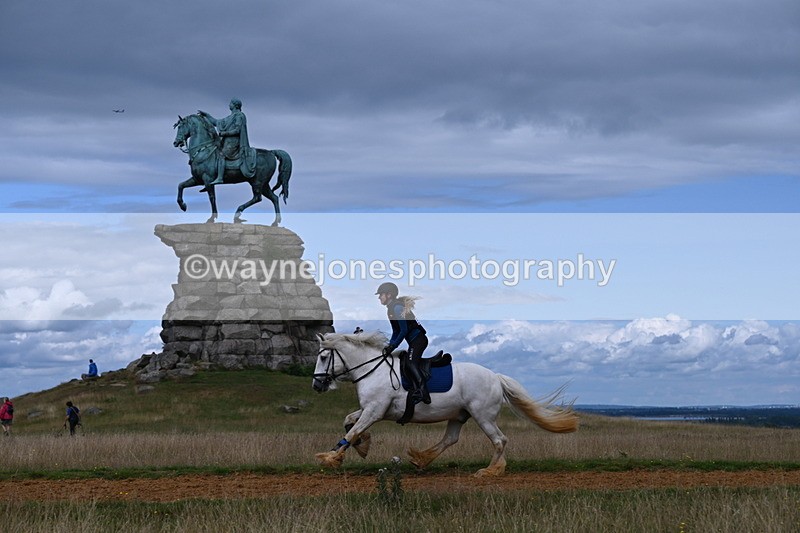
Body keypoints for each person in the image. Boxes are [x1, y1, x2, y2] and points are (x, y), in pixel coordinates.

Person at [375, 282, 431, 405]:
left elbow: (404, 330)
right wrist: (389, 346)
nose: (379, 297)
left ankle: (423, 392)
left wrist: (394, 346)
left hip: (419, 340)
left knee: (411, 363)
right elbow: (396, 331)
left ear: (389, 295)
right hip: (414, 341)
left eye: (381, 295)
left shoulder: (397, 308)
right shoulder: (390, 310)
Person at [197, 98, 257, 186]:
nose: (229, 105)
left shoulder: (239, 116)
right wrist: (207, 115)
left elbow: (237, 130)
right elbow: (216, 122)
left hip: (234, 142)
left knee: (221, 155)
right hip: (226, 141)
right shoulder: (230, 117)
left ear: (235, 105)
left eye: (231, 103)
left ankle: (220, 178)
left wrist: (225, 133)